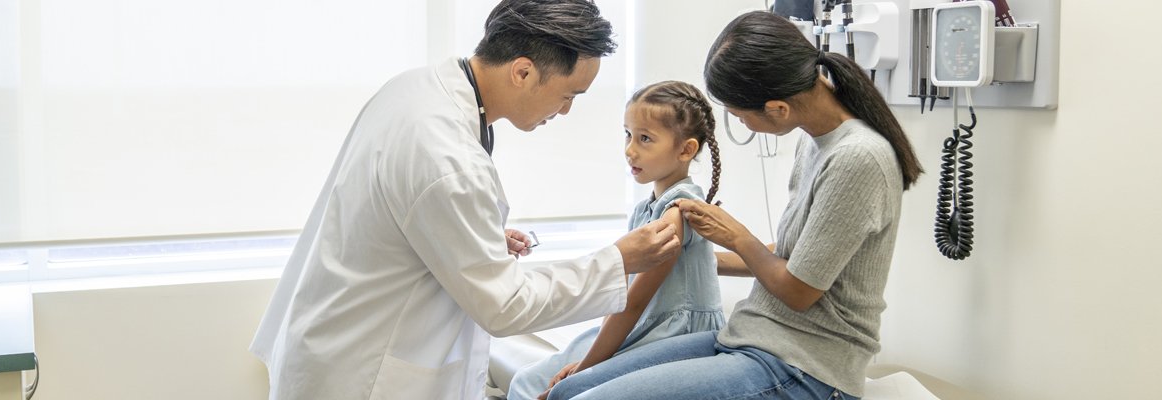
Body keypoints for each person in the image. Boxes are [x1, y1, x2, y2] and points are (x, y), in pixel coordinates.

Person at [249, 1, 683, 399]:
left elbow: (399, 214)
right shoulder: (448, 157)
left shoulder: (417, 89)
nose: (566, 111)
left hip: (338, 338)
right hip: (365, 373)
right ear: (523, 72)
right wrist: (618, 261)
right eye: (569, 94)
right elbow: (506, 305)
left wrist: (475, 237)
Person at [546, 10, 924, 400]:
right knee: (569, 390)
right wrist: (697, 259)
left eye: (738, 115)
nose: (735, 122)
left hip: (806, 367)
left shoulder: (857, 157)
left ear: (778, 108)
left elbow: (799, 290)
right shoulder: (814, 144)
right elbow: (798, 257)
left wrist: (735, 235)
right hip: (749, 337)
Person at [508, 81, 726, 400]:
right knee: (525, 382)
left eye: (645, 139)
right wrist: (590, 356)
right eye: (628, 134)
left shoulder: (677, 214)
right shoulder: (644, 210)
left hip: (674, 337)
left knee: (563, 390)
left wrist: (586, 366)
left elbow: (635, 303)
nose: (630, 149)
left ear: (686, 150)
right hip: (643, 327)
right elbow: (621, 293)